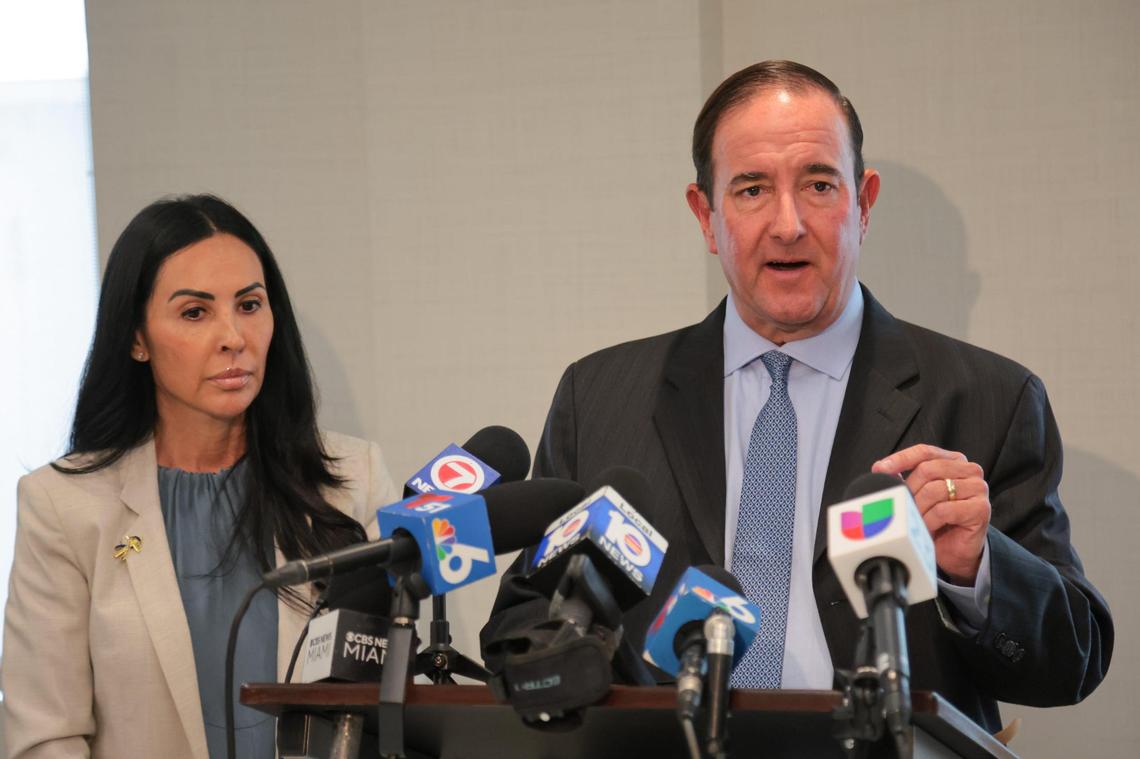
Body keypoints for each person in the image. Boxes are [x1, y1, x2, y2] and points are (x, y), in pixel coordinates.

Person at [482, 60, 1112, 732]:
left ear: (863, 203)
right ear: (706, 214)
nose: (787, 224)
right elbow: (524, 623)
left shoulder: (988, 396)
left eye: (818, 184)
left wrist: (976, 571)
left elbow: (1072, 660)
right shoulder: (600, 396)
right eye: (752, 189)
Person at [1, 195, 399, 759]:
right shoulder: (64, 505)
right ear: (137, 338)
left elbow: (399, 702)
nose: (233, 336)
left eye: (249, 305)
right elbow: (45, 737)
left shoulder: (352, 479)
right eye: (195, 312)